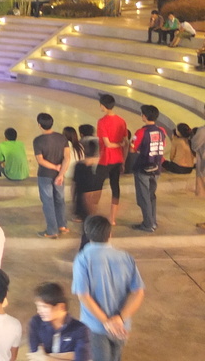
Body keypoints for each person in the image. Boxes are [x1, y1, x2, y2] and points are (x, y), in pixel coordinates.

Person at [72, 216, 145, 361]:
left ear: (87, 234)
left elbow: (83, 295)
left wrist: (106, 321)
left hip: (95, 327)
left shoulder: (83, 259)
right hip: (121, 327)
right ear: (110, 234)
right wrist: (119, 319)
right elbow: (138, 292)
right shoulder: (126, 257)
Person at [29, 281, 92, 361]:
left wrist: (47, 358)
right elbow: (34, 356)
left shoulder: (80, 329)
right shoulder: (36, 323)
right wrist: (70, 356)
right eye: (38, 306)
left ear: (61, 306)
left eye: (44, 307)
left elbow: (82, 358)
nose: (39, 311)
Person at [130, 104, 168, 233]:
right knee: (151, 195)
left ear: (144, 116)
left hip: (143, 167)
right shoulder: (162, 131)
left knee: (143, 196)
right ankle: (153, 221)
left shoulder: (141, 132)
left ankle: (148, 224)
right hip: (157, 168)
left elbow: (132, 148)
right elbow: (163, 145)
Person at [33, 112, 70, 239]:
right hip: (59, 175)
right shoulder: (62, 138)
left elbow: (40, 160)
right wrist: (60, 174)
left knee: (48, 202)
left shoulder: (38, 141)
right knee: (60, 200)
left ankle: (52, 230)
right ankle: (62, 225)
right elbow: (67, 157)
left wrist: (54, 167)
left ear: (39, 125)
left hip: (45, 175)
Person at [95, 94, 129, 225]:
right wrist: (123, 159)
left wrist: (117, 145)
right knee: (115, 187)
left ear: (103, 106)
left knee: (97, 186)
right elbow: (126, 141)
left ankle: (92, 213)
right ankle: (112, 218)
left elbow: (107, 143)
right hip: (118, 158)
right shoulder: (122, 121)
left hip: (106, 159)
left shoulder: (102, 122)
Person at [71, 137, 103, 222]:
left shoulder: (79, 165)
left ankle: (81, 216)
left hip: (83, 195)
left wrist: (72, 197)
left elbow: (75, 184)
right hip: (95, 194)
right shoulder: (100, 164)